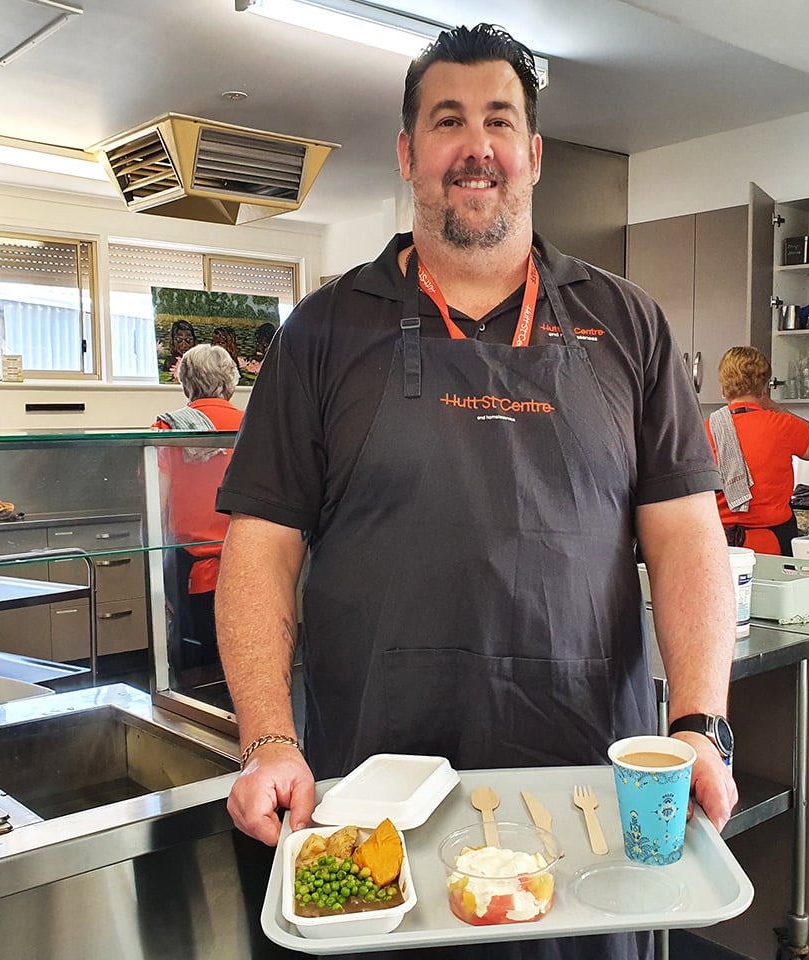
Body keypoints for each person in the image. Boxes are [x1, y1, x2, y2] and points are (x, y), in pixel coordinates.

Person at [215, 24, 737, 960]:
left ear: (532, 155)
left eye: (499, 120)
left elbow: (688, 537)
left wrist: (699, 725)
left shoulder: (629, 325)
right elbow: (262, 545)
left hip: (589, 793)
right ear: (411, 152)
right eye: (446, 120)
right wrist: (267, 743)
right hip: (375, 800)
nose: (476, 146)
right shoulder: (322, 334)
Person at [154, 344, 243, 677]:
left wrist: (156, 577)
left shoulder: (166, 429)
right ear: (231, 382)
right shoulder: (251, 426)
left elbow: (153, 503)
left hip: (185, 563)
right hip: (245, 558)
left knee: (193, 668)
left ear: (185, 384)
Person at [706, 346, 809, 555]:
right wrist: (775, 407)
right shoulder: (781, 425)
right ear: (764, 387)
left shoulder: (706, 429)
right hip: (772, 544)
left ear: (723, 387)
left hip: (718, 546)